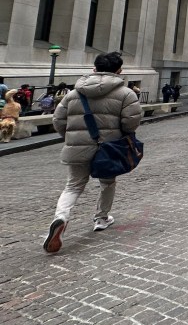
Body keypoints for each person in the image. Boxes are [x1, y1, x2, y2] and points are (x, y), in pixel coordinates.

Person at [42, 51, 141, 253]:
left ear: (94, 69)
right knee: (107, 183)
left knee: (73, 186)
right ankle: (101, 219)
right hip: (108, 149)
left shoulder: (73, 93)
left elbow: (58, 120)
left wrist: (71, 137)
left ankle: (60, 217)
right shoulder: (126, 93)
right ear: (119, 70)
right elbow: (131, 122)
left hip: (76, 148)